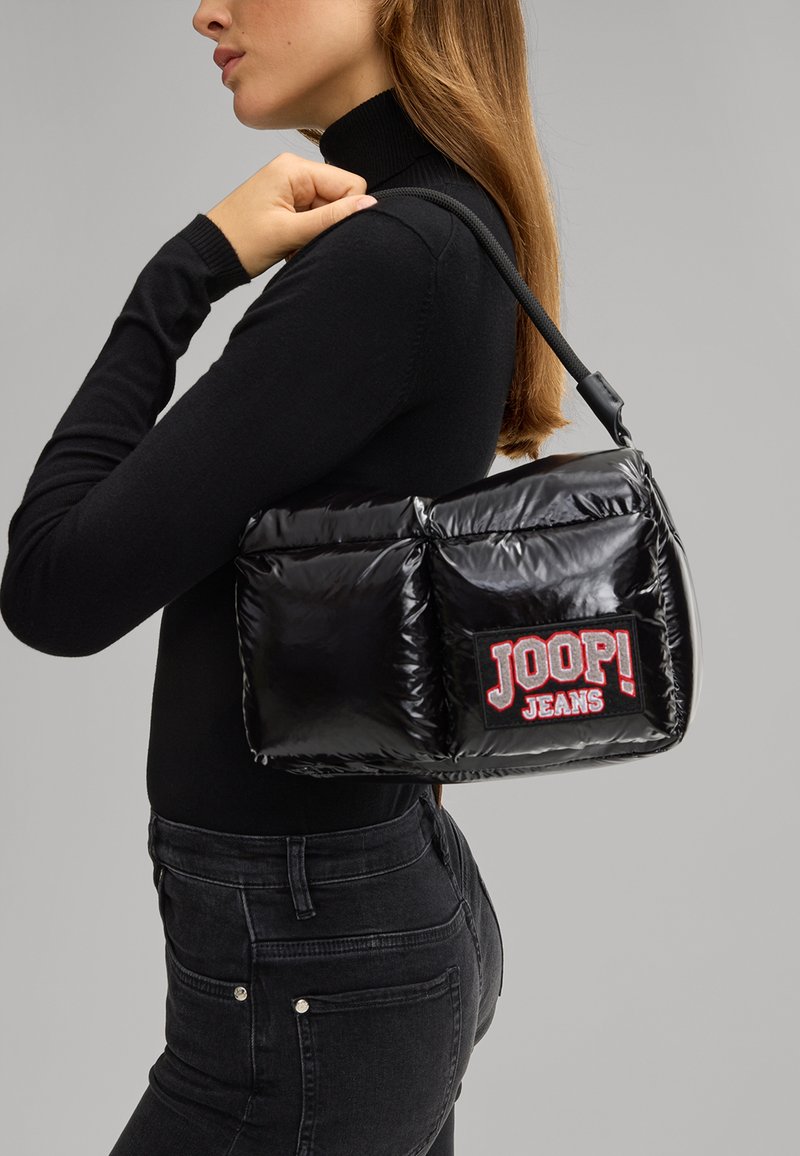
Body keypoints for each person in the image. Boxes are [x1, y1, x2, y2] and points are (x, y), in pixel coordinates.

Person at [0, 2, 568, 1152]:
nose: (206, 10)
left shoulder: (390, 257)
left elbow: (55, 588)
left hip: (312, 964)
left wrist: (182, 274)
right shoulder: (442, 224)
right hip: (350, 929)